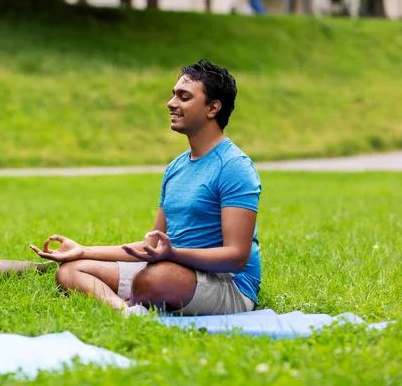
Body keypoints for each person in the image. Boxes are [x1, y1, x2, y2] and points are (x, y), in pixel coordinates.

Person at [31, 59, 262, 316]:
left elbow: (236, 257)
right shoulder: (176, 168)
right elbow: (151, 246)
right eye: (173, 94)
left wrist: (173, 253)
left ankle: (143, 295)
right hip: (174, 271)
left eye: (183, 97)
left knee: (155, 278)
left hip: (227, 284)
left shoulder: (234, 166)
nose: (171, 103)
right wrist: (83, 250)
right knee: (72, 270)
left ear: (213, 108)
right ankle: (126, 312)